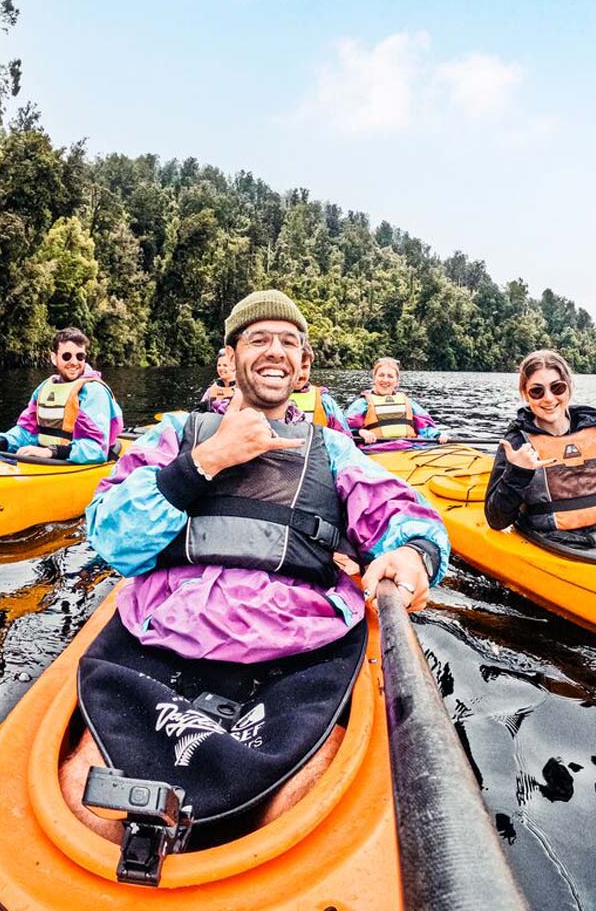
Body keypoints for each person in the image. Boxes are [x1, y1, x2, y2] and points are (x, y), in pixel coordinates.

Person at [60, 289, 449, 855]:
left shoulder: (333, 449)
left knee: (297, 811)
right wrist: (205, 461)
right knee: (86, 803)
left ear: (303, 364)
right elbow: (112, 537)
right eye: (259, 339)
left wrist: (414, 553)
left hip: (296, 652)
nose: (275, 351)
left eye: (288, 342)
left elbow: (403, 513)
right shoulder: (176, 434)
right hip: (164, 640)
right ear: (233, 353)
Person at [484, 349, 596, 549]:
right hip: (549, 542)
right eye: (537, 391)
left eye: (557, 388)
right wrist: (518, 472)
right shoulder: (516, 442)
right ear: (525, 394)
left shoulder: (592, 429)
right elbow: (496, 520)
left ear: (568, 388)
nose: (548, 398)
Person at [0, 327, 123, 462]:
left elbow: (95, 449)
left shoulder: (93, 392)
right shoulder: (44, 388)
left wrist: (50, 452)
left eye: (80, 356)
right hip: (50, 458)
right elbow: (27, 431)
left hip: (73, 461)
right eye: (67, 356)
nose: (74, 362)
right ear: (54, 358)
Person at [344, 356, 449, 447]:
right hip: (375, 449)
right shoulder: (362, 403)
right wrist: (360, 432)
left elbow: (425, 426)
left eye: (390, 376)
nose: (385, 380)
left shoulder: (409, 403)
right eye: (381, 375)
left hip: (409, 447)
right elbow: (345, 429)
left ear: (397, 382)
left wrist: (438, 436)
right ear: (374, 378)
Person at [291, 341, 353, 437]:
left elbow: (344, 436)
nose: (300, 374)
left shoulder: (324, 400)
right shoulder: (267, 398)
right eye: (294, 367)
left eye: (305, 367)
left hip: (317, 451)